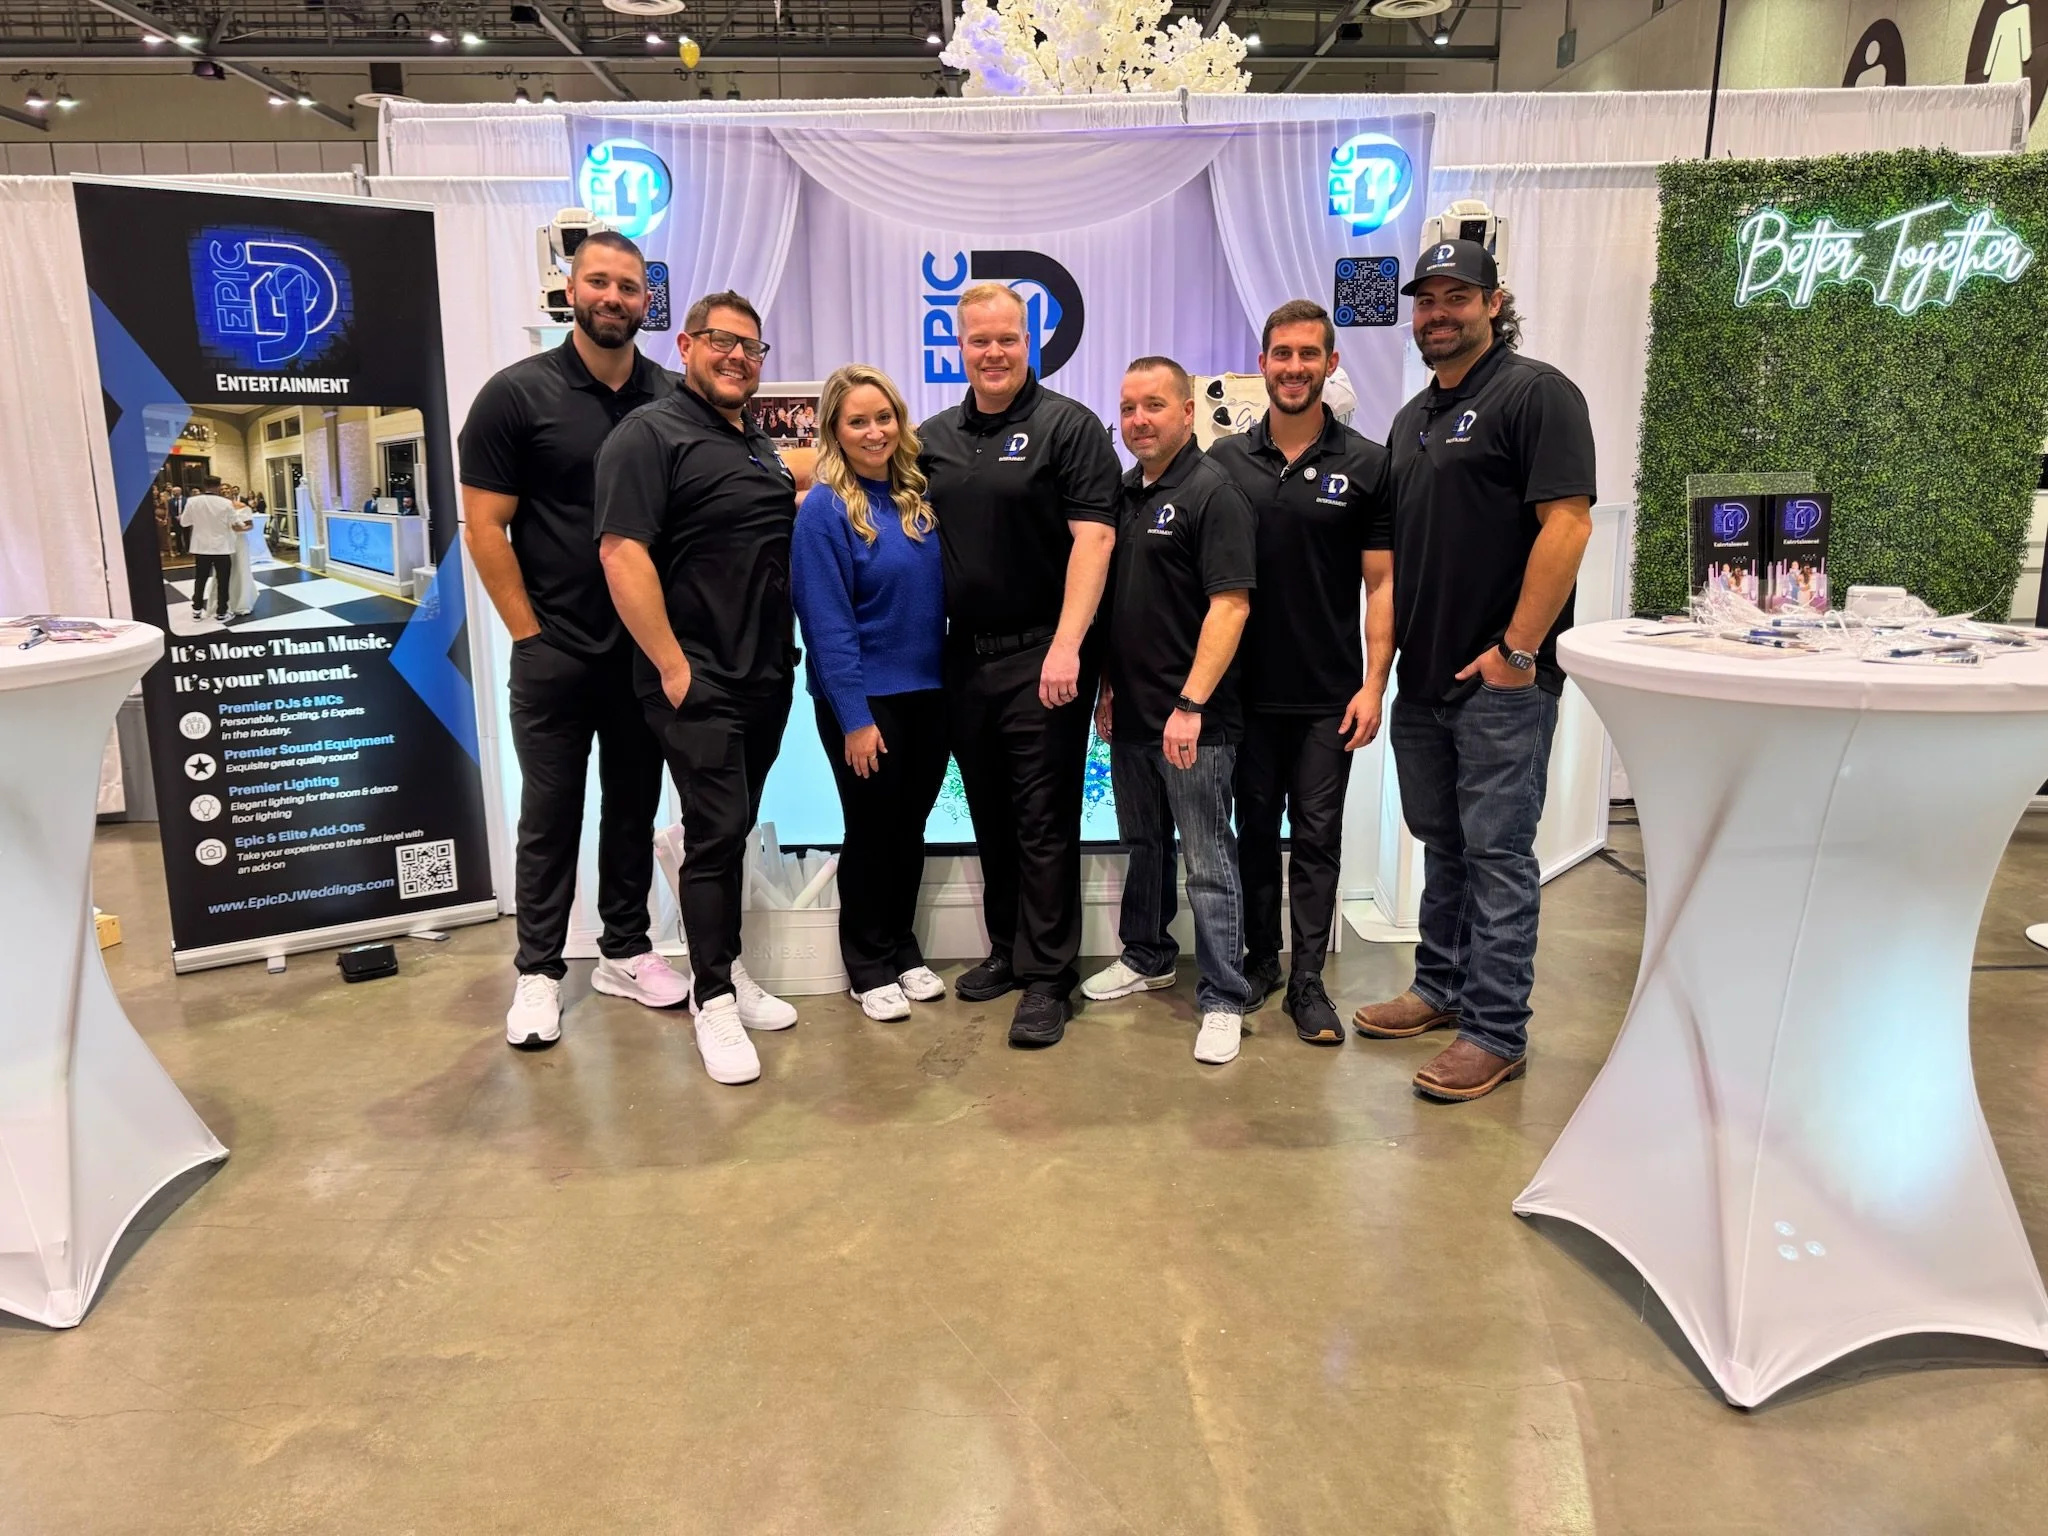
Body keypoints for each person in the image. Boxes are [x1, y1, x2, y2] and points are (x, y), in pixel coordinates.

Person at [1353, 239, 1595, 1103]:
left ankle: (1496, 1031)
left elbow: (1567, 525)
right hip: (1425, 679)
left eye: (1458, 297)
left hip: (1500, 683)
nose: (1438, 313)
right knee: (1443, 843)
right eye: (1427, 301)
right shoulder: (1412, 416)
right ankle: (1441, 987)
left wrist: (1517, 653)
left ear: (1495, 304)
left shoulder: (1536, 395)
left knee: (1497, 856)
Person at [458, 229, 687, 1051]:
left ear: (646, 302)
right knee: (550, 815)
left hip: (641, 652)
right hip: (555, 651)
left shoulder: (671, 396)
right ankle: (538, 972)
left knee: (632, 806)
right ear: (571, 288)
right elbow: (484, 527)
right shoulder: (516, 395)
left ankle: (624, 950)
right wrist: (529, 633)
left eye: (629, 287)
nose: (614, 299)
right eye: (600, 282)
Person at [598, 290, 804, 1087]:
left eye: (752, 348)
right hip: (697, 679)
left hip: (765, 673)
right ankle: (711, 998)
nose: (738, 358)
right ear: (685, 344)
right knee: (715, 831)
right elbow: (622, 554)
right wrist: (674, 667)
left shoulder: (752, 439)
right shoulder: (648, 435)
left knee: (730, 829)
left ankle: (727, 969)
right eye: (722, 342)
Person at [918, 284, 1121, 1048]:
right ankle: (1006, 948)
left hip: (1046, 654)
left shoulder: (1068, 427)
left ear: (1030, 341)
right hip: (962, 657)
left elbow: (1094, 542)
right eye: (979, 341)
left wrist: (1070, 645)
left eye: (1008, 338)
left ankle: (1048, 978)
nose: (994, 352)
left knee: (1043, 821)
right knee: (993, 816)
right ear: (958, 347)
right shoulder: (933, 436)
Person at [1207, 300, 1394, 1046]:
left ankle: (1310, 983)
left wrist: (1375, 683)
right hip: (1243, 697)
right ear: (1262, 365)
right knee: (1252, 833)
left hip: (1327, 697)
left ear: (1330, 364)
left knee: (1317, 839)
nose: (1293, 367)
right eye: (1280, 354)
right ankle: (1261, 963)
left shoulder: (1368, 465)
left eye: (1307, 355)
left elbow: (1381, 584)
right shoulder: (1223, 465)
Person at [1083, 358, 1258, 1066]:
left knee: (1209, 859)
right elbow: (1124, 610)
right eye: (1127, 408)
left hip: (1195, 722)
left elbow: (1231, 605)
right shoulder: (1123, 494)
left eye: (1153, 405)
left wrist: (1190, 705)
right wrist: (1109, 692)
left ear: (1188, 412)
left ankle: (1223, 995)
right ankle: (1147, 953)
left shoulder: (1214, 493)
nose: (1137, 420)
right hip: (1132, 714)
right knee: (1145, 846)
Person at [790, 364, 950, 1022]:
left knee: (908, 829)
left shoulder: (917, 496)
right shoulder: (827, 508)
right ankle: (867, 963)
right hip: (864, 703)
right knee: (871, 830)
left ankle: (903, 948)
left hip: (929, 693)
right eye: (858, 420)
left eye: (883, 417)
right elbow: (826, 624)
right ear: (835, 429)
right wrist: (854, 718)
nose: (874, 430)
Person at [179, 476, 247, 623]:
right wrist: (244, 525)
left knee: (200, 579)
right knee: (223, 580)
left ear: (204, 486)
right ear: (218, 486)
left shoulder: (193, 501)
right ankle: (221, 612)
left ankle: (197, 610)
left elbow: (184, 523)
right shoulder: (226, 503)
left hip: (201, 547)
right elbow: (236, 522)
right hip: (222, 547)